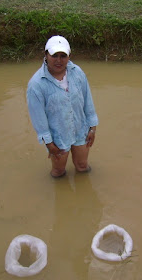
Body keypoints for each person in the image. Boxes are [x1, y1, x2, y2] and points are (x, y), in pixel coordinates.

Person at [27, 35, 99, 178]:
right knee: (58, 171)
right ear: (46, 55)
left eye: (63, 56)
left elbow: (87, 100)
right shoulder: (36, 85)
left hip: (81, 129)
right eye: (54, 55)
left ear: (69, 56)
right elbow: (38, 118)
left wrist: (92, 127)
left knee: (82, 166)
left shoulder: (77, 72)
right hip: (57, 137)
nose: (58, 60)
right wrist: (49, 143)